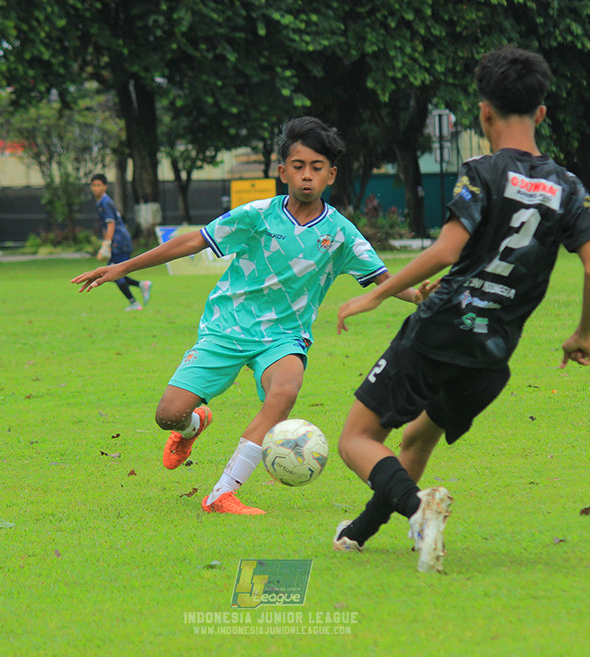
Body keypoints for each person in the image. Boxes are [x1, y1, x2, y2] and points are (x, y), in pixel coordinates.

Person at [331, 46, 590, 572]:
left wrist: (374, 294)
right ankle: (360, 532)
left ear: (483, 112)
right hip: (494, 353)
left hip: (440, 329)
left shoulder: (482, 171)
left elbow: (445, 250)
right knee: (417, 437)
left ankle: (419, 508)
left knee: (357, 439)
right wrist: (583, 335)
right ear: (541, 113)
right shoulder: (568, 187)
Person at [72, 117, 433, 514]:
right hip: (227, 327)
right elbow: (194, 240)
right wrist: (121, 268)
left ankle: (222, 492)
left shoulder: (341, 233)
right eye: (298, 167)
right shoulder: (258, 215)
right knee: (167, 415)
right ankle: (194, 425)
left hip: (284, 337)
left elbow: (383, 278)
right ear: (282, 172)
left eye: (317, 168)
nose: (307, 176)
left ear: (331, 175)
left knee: (286, 389)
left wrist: (421, 296)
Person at [90, 173, 151, 311]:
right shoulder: (101, 202)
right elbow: (106, 225)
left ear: (105, 187)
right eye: (93, 185)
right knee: (113, 272)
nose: (95, 188)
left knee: (113, 273)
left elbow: (111, 225)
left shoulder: (105, 202)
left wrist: (107, 244)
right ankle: (141, 286)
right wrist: (105, 243)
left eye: (98, 185)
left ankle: (134, 302)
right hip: (117, 241)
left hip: (120, 241)